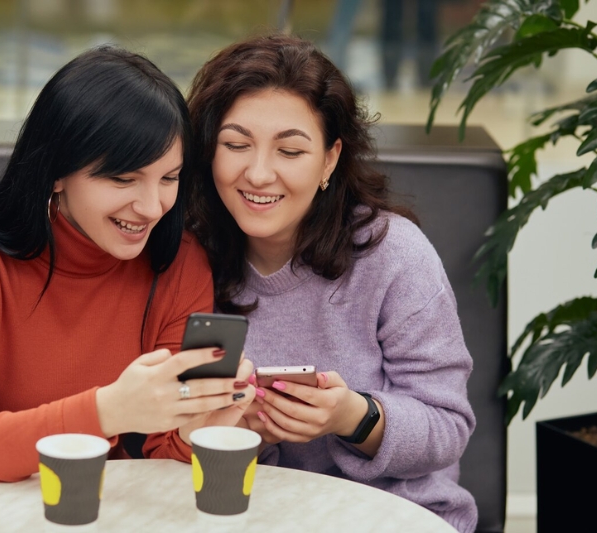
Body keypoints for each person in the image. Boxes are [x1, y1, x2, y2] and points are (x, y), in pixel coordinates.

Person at [0, 46, 254, 509]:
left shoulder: (179, 262)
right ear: (56, 173)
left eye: (169, 178)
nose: (153, 207)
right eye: (124, 179)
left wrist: (195, 428)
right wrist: (106, 411)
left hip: (92, 515)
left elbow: (163, 453)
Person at [185, 34, 477, 533]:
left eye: (290, 151)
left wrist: (352, 417)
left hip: (394, 517)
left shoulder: (394, 256)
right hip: (248, 516)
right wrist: (231, 428)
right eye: (235, 145)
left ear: (329, 159)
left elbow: (448, 427)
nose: (258, 173)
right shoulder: (186, 257)